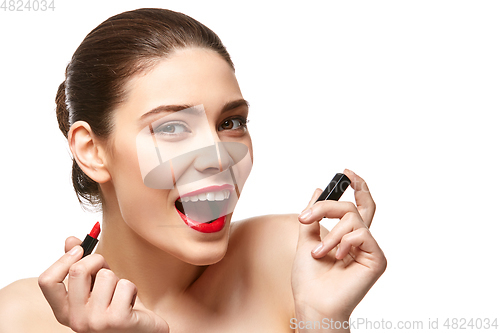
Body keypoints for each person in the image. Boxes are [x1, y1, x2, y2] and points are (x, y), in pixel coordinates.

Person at [0, 8, 386, 332]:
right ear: (92, 151)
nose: (220, 157)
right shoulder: (20, 318)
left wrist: (323, 321)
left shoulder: (294, 257)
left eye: (230, 123)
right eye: (171, 128)